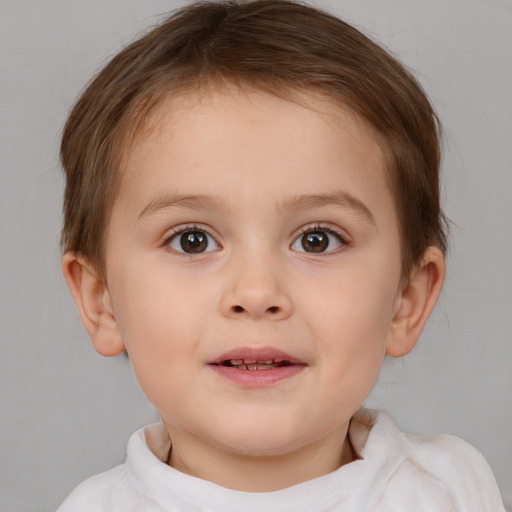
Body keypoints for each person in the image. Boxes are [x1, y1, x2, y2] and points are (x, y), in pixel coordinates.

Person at [56, 0, 506, 510]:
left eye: (318, 239)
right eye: (192, 240)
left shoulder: (452, 489)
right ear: (102, 301)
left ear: (406, 298)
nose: (256, 293)